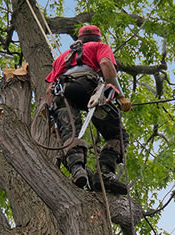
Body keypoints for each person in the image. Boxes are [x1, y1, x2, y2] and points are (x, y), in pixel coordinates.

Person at [45, 25, 130, 194]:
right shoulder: (99, 47)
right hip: (87, 88)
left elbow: (48, 91)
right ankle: (104, 174)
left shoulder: (61, 58)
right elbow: (105, 63)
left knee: (71, 132)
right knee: (118, 135)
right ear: (97, 39)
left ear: (80, 39)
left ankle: (77, 170)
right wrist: (119, 95)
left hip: (61, 94)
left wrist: (52, 122)